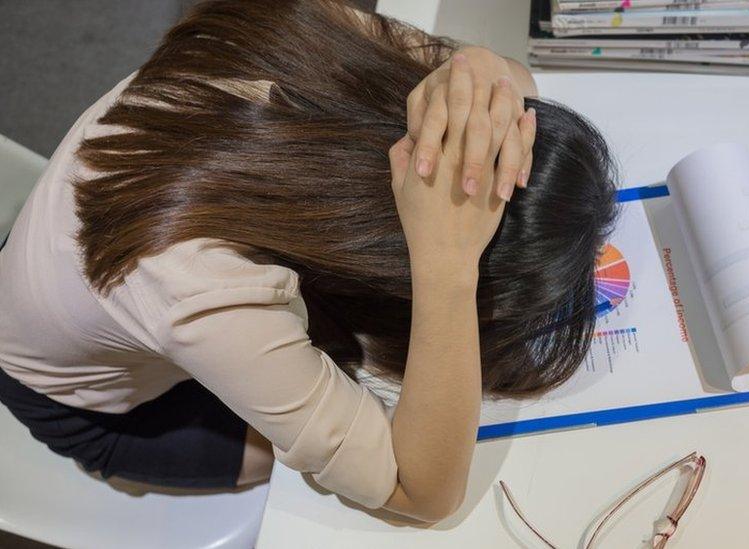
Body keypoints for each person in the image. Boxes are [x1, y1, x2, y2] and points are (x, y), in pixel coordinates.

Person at [0, 0, 617, 522]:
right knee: (292, 472)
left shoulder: (308, 43)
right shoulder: (204, 293)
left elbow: (518, 84)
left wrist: (479, 75)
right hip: (97, 410)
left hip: (102, 273)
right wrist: (448, 273)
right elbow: (422, 491)